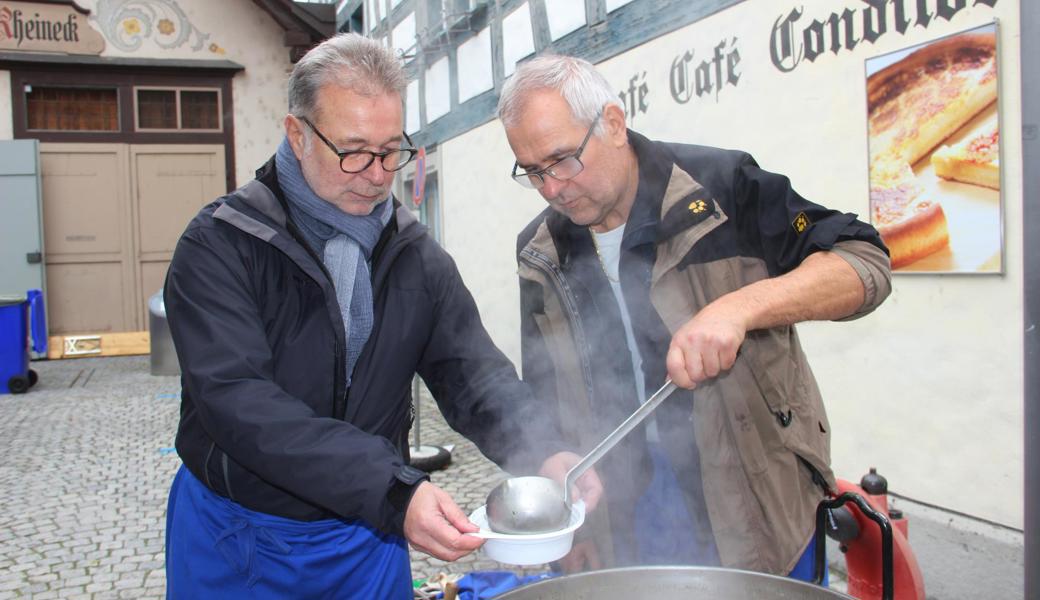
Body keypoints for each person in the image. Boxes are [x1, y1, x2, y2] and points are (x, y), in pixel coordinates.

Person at [162, 34, 601, 599]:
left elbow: (473, 376)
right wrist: (393, 490)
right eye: (354, 150)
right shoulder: (220, 244)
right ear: (297, 135)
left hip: (366, 536)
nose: (376, 174)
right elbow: (240, 404)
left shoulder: (414, 255)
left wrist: (545, 450)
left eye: (391, 150)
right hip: (239, 535)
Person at [496, 54, 892, 579]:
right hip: (622, 510)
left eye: (562, 159)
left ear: (613, 124)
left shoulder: (721, 187)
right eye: (533, 171)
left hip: (755, 496)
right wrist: (576, 530)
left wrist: (739, 308)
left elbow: (864, 263)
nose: (551, 188)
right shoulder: (541, 251)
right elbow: (546, 393)